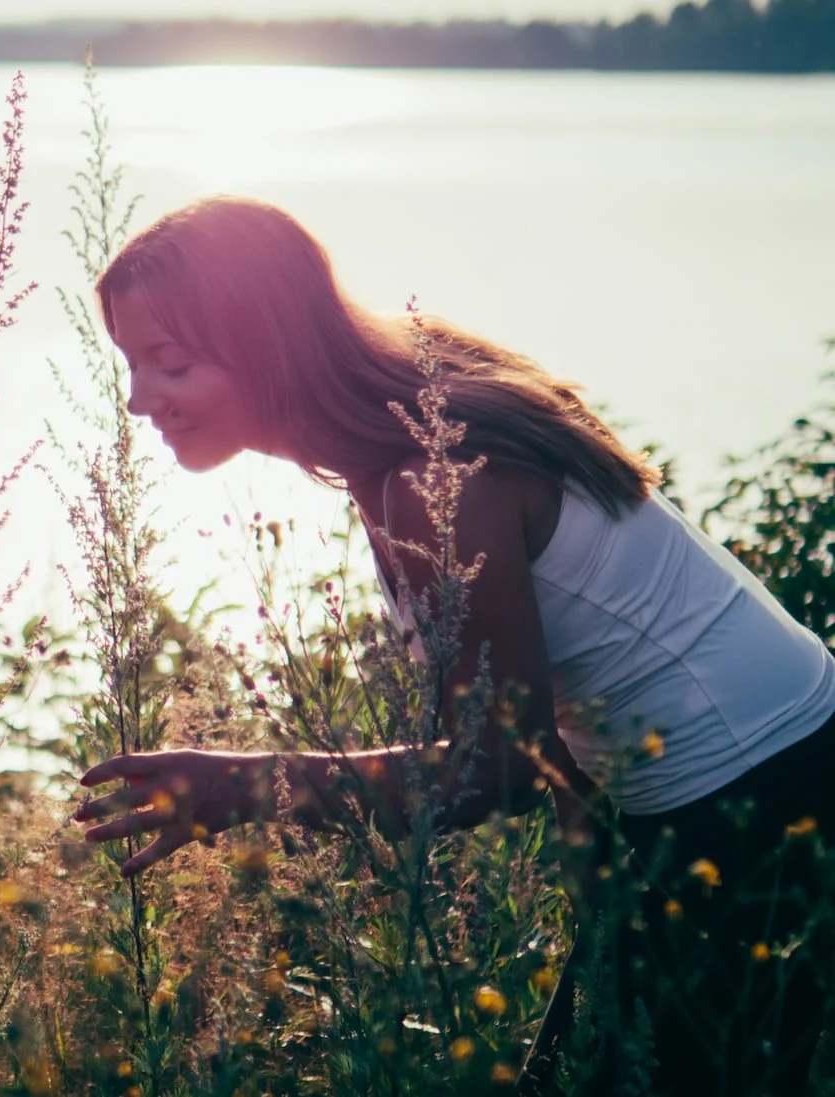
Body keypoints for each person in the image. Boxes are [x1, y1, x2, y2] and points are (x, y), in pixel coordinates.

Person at [67, 196, 835, 1096]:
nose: (138, 399)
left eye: (171, 364)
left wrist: (245, 783)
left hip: (758, 807)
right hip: (757, 778)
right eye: (132, 363)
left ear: (268, 344)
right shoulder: (412, 404)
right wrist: (605, 907)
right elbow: (563, 702)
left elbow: (496, 767)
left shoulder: (431, 477)